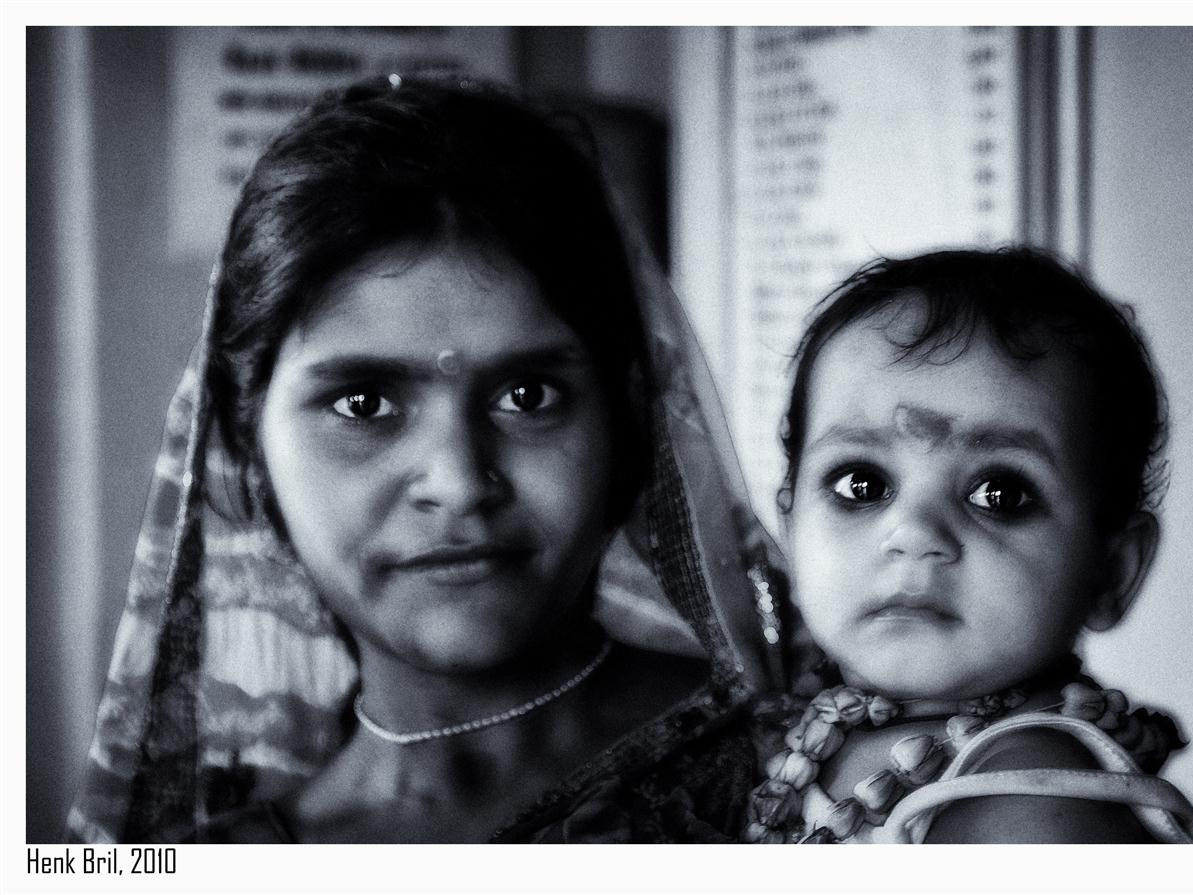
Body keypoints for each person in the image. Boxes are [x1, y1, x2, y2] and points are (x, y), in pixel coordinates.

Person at [68, 76, 785, 844]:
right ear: (245, 450)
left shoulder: (812, 780)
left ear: (627, 419)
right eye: (363, 404)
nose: (457, 482)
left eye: (529, 394)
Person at [745, 247, 1193, 844]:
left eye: (999, 494)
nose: (914, 533)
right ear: (788, 527)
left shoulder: (1032, 806)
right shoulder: (806, 723)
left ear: (1111, 571)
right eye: (860, 485)